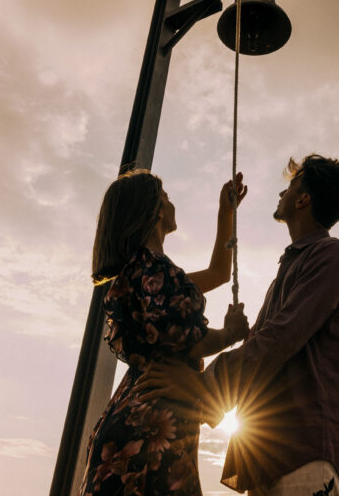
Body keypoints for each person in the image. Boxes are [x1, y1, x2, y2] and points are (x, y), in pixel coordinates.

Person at [137, 154, 339, 496]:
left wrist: (200, 386)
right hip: (273, 459)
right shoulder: (293, 269)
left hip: (307, 454)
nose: (281, 195)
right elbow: (266, 346)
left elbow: (278, 341)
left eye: (289, 188)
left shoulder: (331, 257)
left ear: (303, 200)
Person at [78, 169, 250, 496]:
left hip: (135, 417)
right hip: (147, 429)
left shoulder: (144, 272)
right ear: (155, 209)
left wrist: (225, 212)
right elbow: (190, 341)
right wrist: (229, 333)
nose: (172, 201)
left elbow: (218, 273)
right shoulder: (155, 271)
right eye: (166, 196)